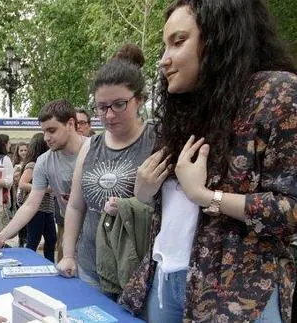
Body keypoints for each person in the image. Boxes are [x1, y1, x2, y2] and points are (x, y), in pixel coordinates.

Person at [119, 1, 297, 322]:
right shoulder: (181, 107)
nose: (163, 60)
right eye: (165, 45)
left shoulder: (277, 92)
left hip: (237, 296)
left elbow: (291, 209)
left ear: (219, 38)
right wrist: (144, 191)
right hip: (163, 276)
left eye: (178, 41)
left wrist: (206, 197)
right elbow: (169, 204)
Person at [56, 47, 156, 295]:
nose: (109, 115)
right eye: (101, 107)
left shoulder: (155, 139)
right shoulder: (90, 145)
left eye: (119, 104)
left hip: (138, 275)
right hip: (91, 267)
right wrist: (68, 255)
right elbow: (76, 206)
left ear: (139, 100)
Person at [0, 99, 86, 263]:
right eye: (44, 131)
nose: (46, 137)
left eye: (52, 130)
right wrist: (2, 236)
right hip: (74, 239)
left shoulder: (95, 149)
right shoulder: (44, 161)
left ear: (70, 123)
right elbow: (30, 205)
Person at [18, 133, 56, 262]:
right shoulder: (33, 165)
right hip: (36, 209)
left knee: (51, 239)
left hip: (48, 209)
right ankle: (28, 266)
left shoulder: (48, 163)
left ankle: (50, 265)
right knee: (33, 241)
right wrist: (45, 189)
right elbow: (22, 184)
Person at [12, 142, 29, 247]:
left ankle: (27, 240)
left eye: (25, 150)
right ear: (17, 152)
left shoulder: (31, 164)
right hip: (18, 196)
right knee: (20, 219)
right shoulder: (15, 165)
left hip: (28, 196)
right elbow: (13, 182)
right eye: (21, 150)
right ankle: (21, 241)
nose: (23, 152)